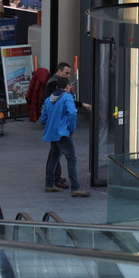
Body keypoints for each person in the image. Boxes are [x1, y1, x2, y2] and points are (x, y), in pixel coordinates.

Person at [44, 61, 92, 189]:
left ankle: (49, 183)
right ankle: (75, 187)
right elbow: (71, 113)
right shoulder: (66, 98)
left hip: (52, 130)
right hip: (63, 131)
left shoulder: (49, 100)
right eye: (66, 73)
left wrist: (48, 124)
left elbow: (43, 115)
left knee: (54, 157)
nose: (68, 75)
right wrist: (71, 128)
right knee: (71, 158)